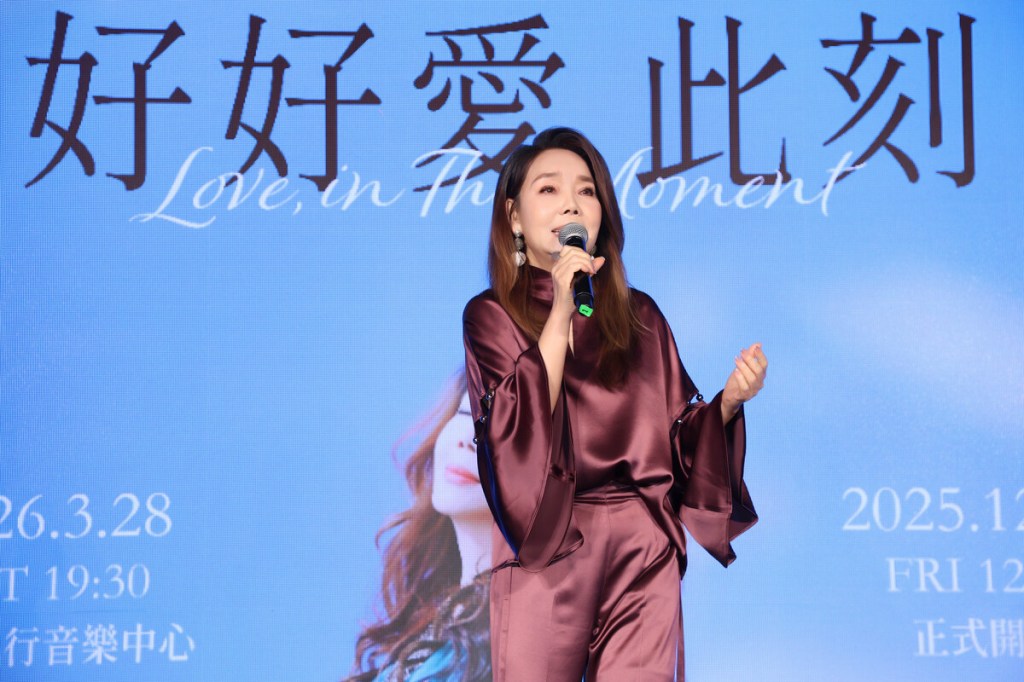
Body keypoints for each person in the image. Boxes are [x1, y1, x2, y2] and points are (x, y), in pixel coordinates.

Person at [462, 127, 767, 681]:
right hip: (549, 538)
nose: (571, 204)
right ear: (513, 217)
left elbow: (678, 433)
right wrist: (562, 308)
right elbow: (513, 426)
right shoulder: (491, 316)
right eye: (549, 190)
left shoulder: (639, 316)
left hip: (641, 543)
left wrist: (728, 403)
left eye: (586, 191)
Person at [345, 371, 493, 682]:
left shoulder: (522, 631)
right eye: (465, 412)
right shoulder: (440, 616)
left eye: (501, 427)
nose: (467, 439)